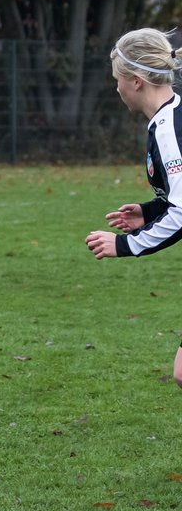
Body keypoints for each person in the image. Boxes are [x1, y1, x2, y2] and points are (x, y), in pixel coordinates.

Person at [86, 27, 182, 386]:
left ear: (137, 81)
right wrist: (150, 211)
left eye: (117, 79)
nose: (116, 88)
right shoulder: (171, 118)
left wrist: (125, 245)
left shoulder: (170, 128)